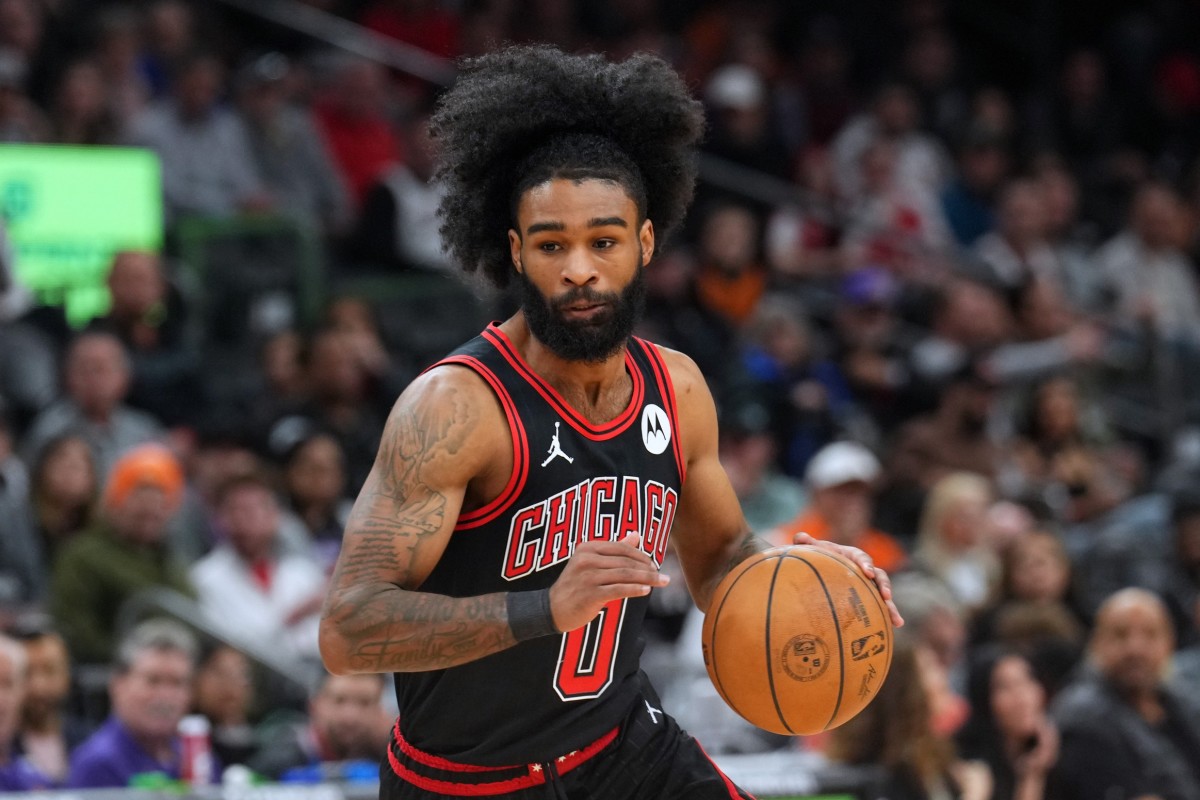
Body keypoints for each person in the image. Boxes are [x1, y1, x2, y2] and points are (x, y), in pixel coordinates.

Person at [318, 45, 902, 800]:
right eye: (552, 245)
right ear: (516, 254)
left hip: (623, 750)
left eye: (603, 240)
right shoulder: (458, 409)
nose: (580, 269)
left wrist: (806, 577)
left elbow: (722, 554)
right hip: (467, 782)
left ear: (645, 244)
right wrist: (542, 609)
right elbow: (349, 629)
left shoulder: (677, 388)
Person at [49, 443, 194, 664]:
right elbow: (74, 629)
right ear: (116, 503)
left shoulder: (172, 561)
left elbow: (194, 616)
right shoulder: (84, 555)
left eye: (158, 510)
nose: (150, 514)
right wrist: (133, 661)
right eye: (140, 509)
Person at [1050, 588, 1200, 800]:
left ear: (1169, 644)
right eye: (1120, 634)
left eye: (1150, 634)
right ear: (1096, 643)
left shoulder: (1184, 701)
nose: (1135, 648)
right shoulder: (1082, 714)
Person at [67, 618, 218, 788]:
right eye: (153, 681)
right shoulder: (97, 764)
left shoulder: (198, 759)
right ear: (118, 684)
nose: (165, 696)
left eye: (177, 683)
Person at [249, 671, 387, 781]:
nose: (350, 717)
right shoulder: (277, 763)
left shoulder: (390, 763)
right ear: (314, 705)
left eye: (365, 703)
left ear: (380, 710)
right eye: (339, 701)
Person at [13, 623, 91, 787]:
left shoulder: (89, 742)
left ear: (68, 675)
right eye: (28, 672)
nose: (38, 686)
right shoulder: (4, 749)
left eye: (49, 670)